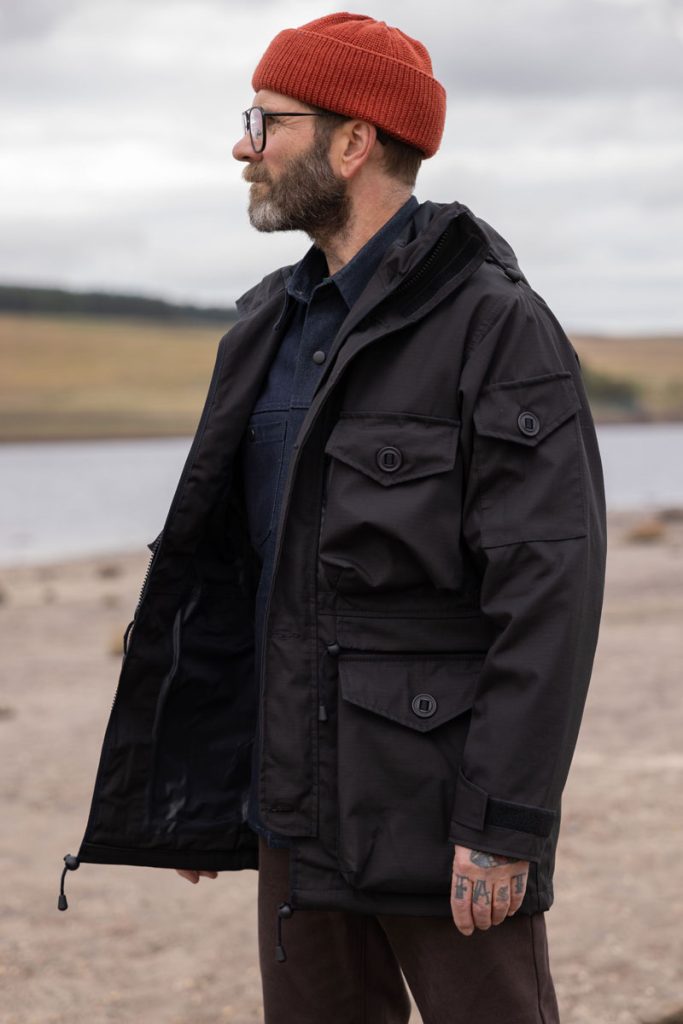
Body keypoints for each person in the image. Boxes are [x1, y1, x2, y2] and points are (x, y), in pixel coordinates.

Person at [59, 13, 607, 1023]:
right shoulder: (263, 327)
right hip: (292, 818)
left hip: (438, 813)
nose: (244, 148)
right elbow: (236, 575)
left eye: (266, 122)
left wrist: (504, 823)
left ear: (352, 142)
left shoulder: (495, 326)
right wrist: (210, 780)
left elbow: (548, 594)